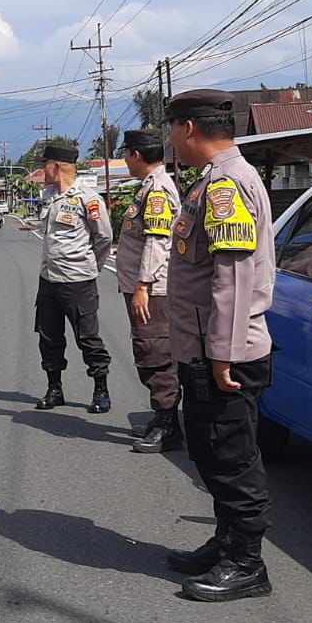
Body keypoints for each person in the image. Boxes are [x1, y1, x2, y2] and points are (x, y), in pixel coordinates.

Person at [163, 89, 278, 602]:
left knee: (232, 458)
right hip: (210, 348)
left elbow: (232, 277)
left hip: (223, 355)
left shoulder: (227, 186)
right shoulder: (215, 182)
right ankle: (226, 541)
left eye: (172, 130)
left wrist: (222, 353)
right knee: (212, 452)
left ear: (188, 128)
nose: (172, 141)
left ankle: (246, 564)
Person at [32, 141, 114, 413]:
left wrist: (91, 267)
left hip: (77, 281)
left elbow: (104, 238)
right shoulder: (50, 197)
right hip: (49, 279)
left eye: (44, 165)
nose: (42, 170)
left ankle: (100, 390)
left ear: (56, 166)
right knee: (49, 336)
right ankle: (54, 388)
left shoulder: (88, 199)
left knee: (87, 338)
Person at [116, 129, 183, 454]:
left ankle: (168, 424)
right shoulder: (148, 187)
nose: (126, 160)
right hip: (145, 288)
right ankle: (162, 418)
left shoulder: (156, 189)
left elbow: (158, 242)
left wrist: (143, 285)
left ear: (136, 155)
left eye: (127, 154)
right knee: (148, 350)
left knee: (155, 352)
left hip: (153, 291)